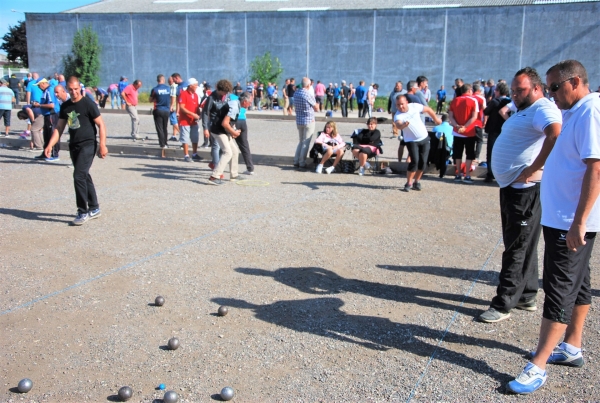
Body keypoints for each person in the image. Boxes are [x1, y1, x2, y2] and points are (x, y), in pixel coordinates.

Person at [507, 59, 600, 395]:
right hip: (562, 218)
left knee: (559, 287)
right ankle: (572, 345)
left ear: (575, 82)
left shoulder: (590, 110)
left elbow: (595, 168)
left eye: (555, 88)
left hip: (570, 222)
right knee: (579, 282)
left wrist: (579, 221)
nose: (551, 95)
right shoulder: (575, 110)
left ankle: (539, 364)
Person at [478, 67, 562, 324]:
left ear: (537, 88)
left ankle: (503, 303)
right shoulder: (525, 109)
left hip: (525, 191)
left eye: (520, 90)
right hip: (513, 189)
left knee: (515, 246)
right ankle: (526, 295)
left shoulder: (542, 108)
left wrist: (534, 167)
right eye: (513, 90)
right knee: (523, 243)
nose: (514, 94)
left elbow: (555, 132)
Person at [43, 76, 107, 226]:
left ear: (80, 88)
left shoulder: (88, 104)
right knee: (83, 175)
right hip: (74, 145)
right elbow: (59, 128)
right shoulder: (66, 106)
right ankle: (94, 208)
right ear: (67, 89)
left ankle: (82, 211)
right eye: (71, 90)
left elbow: (101, 125)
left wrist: (102, 145)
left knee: (78, 175)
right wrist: (50, 145)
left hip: (88, 144)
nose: (74, 92)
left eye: (76, 89)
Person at [394, 95, 442, 192]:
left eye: (402, 104)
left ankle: (417, 181)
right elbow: (398, 125)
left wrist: (436, 119)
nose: (400, 107)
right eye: (398, 105)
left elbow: (428, 109)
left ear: (406, 102)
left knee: (423, 162)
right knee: (414, 162)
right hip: (411, 141)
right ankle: (408, 183)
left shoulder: (414, 106)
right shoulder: (398, 115)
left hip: (424, 137)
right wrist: (403, 125)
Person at [207, 91, 253, 185]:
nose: (250, 104)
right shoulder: (235, 106)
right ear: (244, 102)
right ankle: (214, 176)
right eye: (250, 102)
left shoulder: (236, 103)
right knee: (228, 152)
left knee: (235, 151)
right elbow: (224, 123)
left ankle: (234, 175)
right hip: (218, 130)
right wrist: (234, 132)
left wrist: (233, 130)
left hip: (223, 130)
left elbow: (229, 122)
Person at [448, 83, 481, 183]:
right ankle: (467, 175)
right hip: (469, 131)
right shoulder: (473, 100)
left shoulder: (455, 100)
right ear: (470, 90)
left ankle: (458, 174)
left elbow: (450, 116)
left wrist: (457, 126)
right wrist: (465, 126)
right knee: (469, 153)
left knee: (457, 154)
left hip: (457, 132)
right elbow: (474, 116)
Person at [482, 82, 511, 182]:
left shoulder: (495, 102)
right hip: (505, 130)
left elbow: (486, 112)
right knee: (504, 152)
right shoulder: (510, 102)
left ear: (499, 92)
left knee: (491, 152)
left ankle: (490, 174)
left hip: (494, 130)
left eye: (496, 90)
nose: (495, 92)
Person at [202, 79, 233, 170]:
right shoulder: (211, 98)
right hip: (214, 124)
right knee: (216, 145)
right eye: (224, 92)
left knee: (222, 146)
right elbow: (205, 113)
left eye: (227, 92)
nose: (225, 94)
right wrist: (205, 128)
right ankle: (216, 167)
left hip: (223, 124)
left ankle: (214, 162)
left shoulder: (227, 96)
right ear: (219, 90)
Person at [292, 77, 318, 170]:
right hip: (309, 120)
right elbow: (316, 108)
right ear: (308, 85)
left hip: (299, 120)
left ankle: (296, 160)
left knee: (300, 141)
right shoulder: (307, 94)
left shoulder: (296, 93)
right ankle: (302, 162)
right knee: (305, 142)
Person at [32, 78, 59, 161]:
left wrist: (39, 105)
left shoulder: (49, 90)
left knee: (52, 134)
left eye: (39, 85)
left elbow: (52, 105)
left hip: (51, 115)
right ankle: (45, 153)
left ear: (43, 83)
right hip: (47, 115)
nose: (39, 87)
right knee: (46, 135)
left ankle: (55, 154)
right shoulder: (45, 91)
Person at [178, 78, 201, 162]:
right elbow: (182, 108)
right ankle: (186, 155)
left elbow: (196, 106)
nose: (197, 86)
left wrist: (199, 112)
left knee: (195, 137)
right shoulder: (183, 94)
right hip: (185, 121)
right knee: (185, 138)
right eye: (195, 85)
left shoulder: (195, 95)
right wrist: (192, 114)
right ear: (190, 86)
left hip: (194, 121)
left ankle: (195, 153)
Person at [149, 74, 172, 158]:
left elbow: (150, 99)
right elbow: (171, 97)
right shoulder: (168, 89)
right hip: (166, 110)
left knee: (159, 128)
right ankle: (166, 143)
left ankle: (162, 144)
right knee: (165, 127)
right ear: (163, 80)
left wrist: (154, 99)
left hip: (158, 109)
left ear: (157, 80)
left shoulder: (155, 89)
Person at [170, 73, 184, 142]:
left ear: (176, 78)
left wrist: (172, 106)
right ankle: (175, 135)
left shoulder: (178, 86)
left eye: (173, 79)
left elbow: (175, 97)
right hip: (180, 108)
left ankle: (183, 136)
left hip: (181, 108)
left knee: (174, 121)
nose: (173, 81)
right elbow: (178, 99)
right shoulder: (179, 86)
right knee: (178, 122)